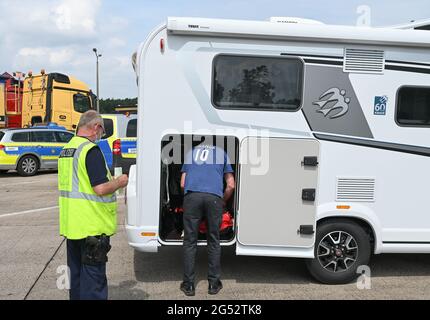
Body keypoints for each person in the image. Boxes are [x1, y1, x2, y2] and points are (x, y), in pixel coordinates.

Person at [58, 110, 128, 300]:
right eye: (102, 131)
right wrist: (120, 182)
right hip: (91, 228)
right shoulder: (90, 150)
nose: (100, 135)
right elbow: (100, 188)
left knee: (77, 281)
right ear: (96, 127)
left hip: (73, 226)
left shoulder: (67, 150)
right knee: (94, 283)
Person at [180, 141, 235, 296]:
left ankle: (189, 285)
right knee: (213, 240)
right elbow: (231, 185)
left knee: (190, 241)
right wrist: (223, 200)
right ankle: (213, 284)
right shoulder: (222, 153)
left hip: (192, 197)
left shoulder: (191, 153)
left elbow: (183, 183)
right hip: (214, 198)